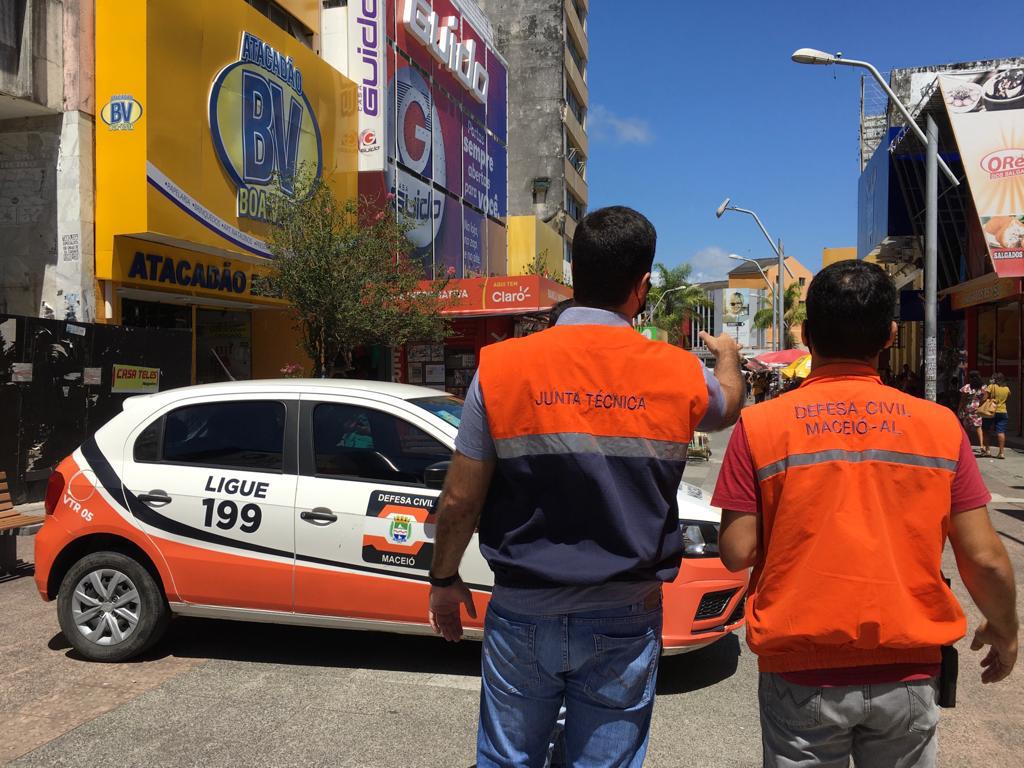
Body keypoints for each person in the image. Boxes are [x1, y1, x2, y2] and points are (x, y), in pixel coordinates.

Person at [426, 206, 745, 767]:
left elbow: (460, 498)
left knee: (507, 760)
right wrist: (727, 359)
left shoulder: (499, 368)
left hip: (522, 609)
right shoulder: (677, 373)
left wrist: (445, 578)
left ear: (576, 275)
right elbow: (727, 408)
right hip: (625, 613)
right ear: (643, 286)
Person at [712, 260, 1018, 768]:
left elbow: (736, 552)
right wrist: (1006, 629)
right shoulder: (939, 427)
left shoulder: (760, 426)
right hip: (907, 667)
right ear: (890, 335)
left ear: (807, 335)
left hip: (800, 669)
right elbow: (984, 558)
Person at [982, 372, 1011, 459]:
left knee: (986, 430)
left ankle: (987, 450)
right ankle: (1001, 453)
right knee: (1001, 432)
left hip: (990, 411)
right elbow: (1007, 398)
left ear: (994, 379)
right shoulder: (1007, 389)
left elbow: (985, 398)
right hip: (1003, 411)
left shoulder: (991, 386)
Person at [959, 370, 987, 454]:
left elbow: (963, 399)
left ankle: (967, 445)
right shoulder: (983, 387)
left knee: (967, 428)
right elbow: (985, 398)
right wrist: (979, 402)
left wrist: (960, 408)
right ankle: (981, 445)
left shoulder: (967, 387)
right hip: (977, 408)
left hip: (968, 408)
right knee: (979, 427)